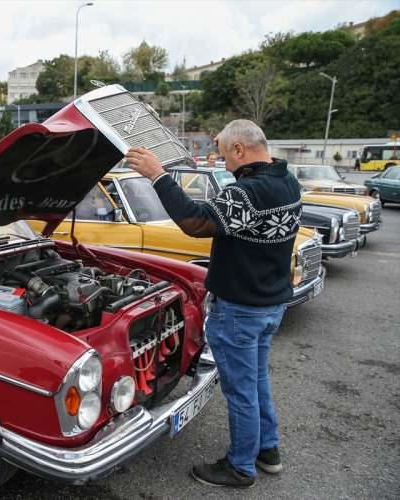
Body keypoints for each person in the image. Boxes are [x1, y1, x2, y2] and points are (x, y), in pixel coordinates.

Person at [125, 119, 301, 489]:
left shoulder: (247, 193)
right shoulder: (288, 182)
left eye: (224, 157)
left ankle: (240, 468)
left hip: (240, 308)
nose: (223, 165)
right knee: (256, 380)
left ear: (240, 149)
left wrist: (158, 176)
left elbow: (194, 221)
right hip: (272, 304)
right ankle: (267, 450)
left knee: (240, 389)